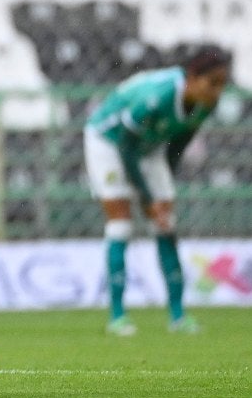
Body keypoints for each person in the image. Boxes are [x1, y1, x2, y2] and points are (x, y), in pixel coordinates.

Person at [84, 44, 231, 336]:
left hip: (148, 146)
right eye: (212, 83)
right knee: (121, 224)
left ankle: (178, 316)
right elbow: (126, 145)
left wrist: (163, 193)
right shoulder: (159, 96)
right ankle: (118, 316)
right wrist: (148, 198)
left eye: (221, 85)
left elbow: (178, 143)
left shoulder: (207, 102)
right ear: (191, 76)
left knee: (165, 223)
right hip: (110, 141)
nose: (216, 92)